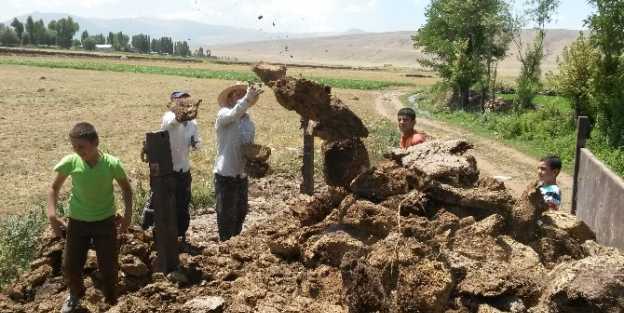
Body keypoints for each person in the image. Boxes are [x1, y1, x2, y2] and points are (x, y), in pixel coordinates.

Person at [47, 122, 133, 313]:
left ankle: (111, 301)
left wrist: (127, 215)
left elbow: (126, 189)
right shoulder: (71, 162)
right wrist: (52, 215)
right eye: (74, 147)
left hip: (105, 222)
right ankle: (75, 295)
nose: (77, 151)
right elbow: (54, 188)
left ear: (95, 142)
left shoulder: (112, 163)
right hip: (78, 223)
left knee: (109, 267)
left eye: (81, 147)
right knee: (70, 266)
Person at [141, 91, 201, 246]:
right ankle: (146, 234)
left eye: (185, 100)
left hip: (183, 169)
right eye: (179, 100)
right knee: (157, 203)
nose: (183, 103)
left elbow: (196, 140)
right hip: (166, 170)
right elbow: (172, 123)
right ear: (173, 102)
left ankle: (179, 237)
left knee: (182, 204)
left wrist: (196, 143)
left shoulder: (193, 124)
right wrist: (180, 115)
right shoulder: (168, 117)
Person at [214, 83, 262, 241]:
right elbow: (233, 114)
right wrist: (248, 99)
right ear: (229, 99)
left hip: (241, 175)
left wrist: (255, 160)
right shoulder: (224, 115)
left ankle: (234, 245)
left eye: (244, 93)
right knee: (226, 215)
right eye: (237, 94)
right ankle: (225, 247)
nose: (241, 96)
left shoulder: (249, 123)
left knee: (241, 212)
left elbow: (247, 149)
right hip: (226, 174)